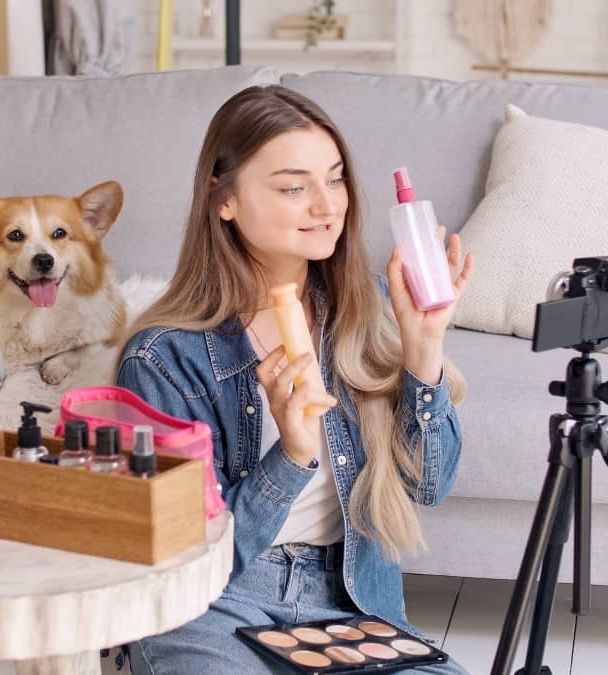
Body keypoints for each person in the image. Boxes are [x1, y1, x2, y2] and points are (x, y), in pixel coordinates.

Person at [116, 84, 474, 674]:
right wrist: (291, 455)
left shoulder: (373, 310)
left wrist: (423, 347)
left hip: (354, 603)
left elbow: (427, 488)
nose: (327, 205)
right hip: (215, 607)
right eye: (293, 187)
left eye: (334, 179)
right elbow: (182, 558)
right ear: (223, 199)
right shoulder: (163, 358)